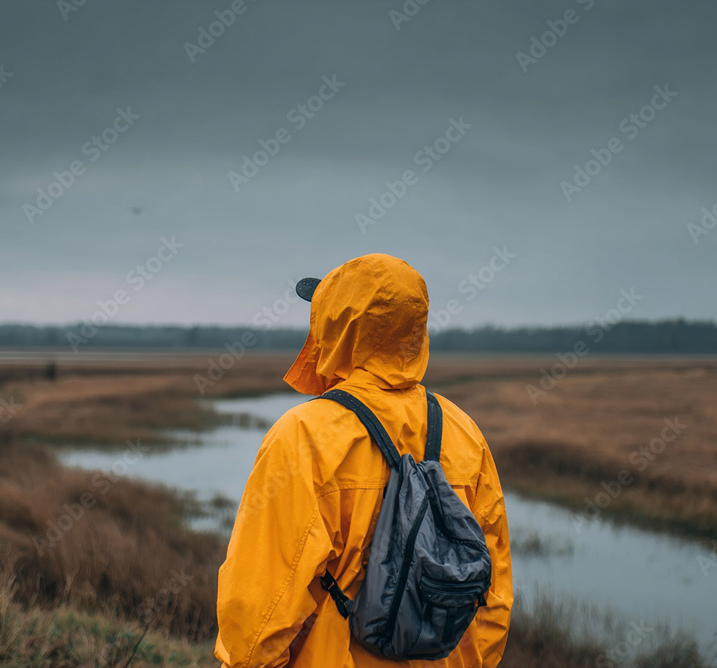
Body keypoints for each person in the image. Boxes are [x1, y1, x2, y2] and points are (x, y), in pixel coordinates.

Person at [215, 253, 513, 667]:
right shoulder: (464, 433)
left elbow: (259, 612)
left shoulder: (304, 435)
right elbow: (492, 595)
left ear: (335, 329)